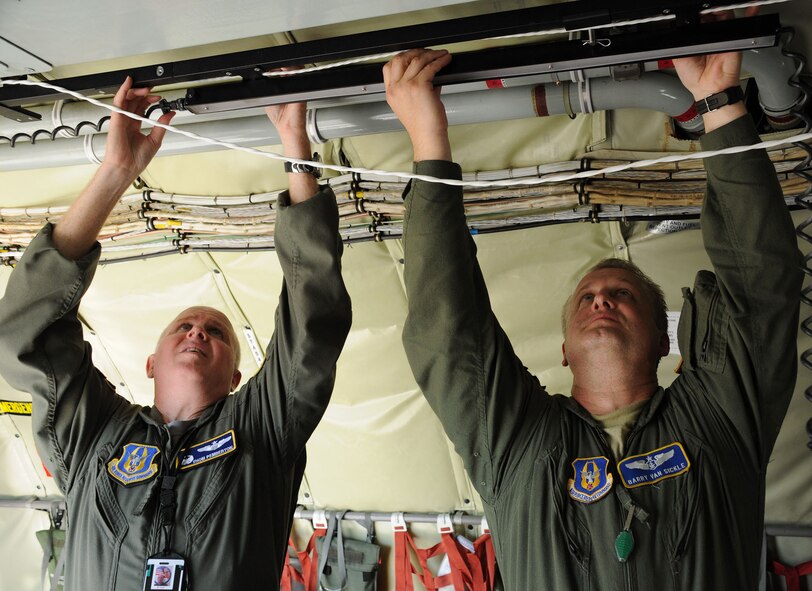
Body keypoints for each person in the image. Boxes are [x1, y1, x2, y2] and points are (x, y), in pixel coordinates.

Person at [385, 47, 802, 590]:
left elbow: (761, 288)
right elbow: (448, 335)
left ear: (661, 340)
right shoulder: (516, 443)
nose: (601, 300)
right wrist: (427, 139)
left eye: (623, 294)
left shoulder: (720, 420)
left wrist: (720, 104)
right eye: (586, 298)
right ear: (563, 350)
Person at [0, 77, 351, 590]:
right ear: (149, 363)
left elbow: (311, 323)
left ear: (235, 375)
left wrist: (296, 146)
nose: (198, 332)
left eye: (216, 331)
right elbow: (23, 332)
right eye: (182, 326)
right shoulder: (95, 433)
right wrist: (116, 172)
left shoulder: (261, 428)